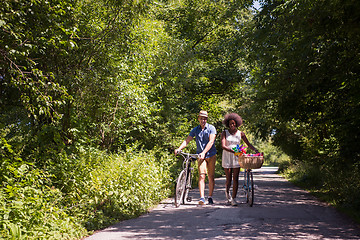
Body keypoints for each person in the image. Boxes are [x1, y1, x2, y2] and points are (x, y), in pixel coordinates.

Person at [175, 110, 217, 205]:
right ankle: (202, 198)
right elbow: (187, 140)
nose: (203, 120)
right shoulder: (195, 130)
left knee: (211, 176)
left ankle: (210, 196)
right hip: (200, 156)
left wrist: (204, 152)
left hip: (211, 155)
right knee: (202, 175)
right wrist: (179, 148)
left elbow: (211, 142)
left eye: (205, 119)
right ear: (198, 119)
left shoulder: (211, 128)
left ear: (207, 119)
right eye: (201, 118)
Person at [221, 113, 258, 206]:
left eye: (233, 124)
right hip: (227, 156)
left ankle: (233, 198)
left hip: (237, 156)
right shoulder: (224, 132)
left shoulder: (240, 133)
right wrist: (233, 151)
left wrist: (255, 150)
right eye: (230, 124)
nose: (232, 125)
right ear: (227, 124)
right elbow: (223, 146)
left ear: (237, 123)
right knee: (228, 179)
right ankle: (227, 193)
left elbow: (248, 144)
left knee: (236, 179)